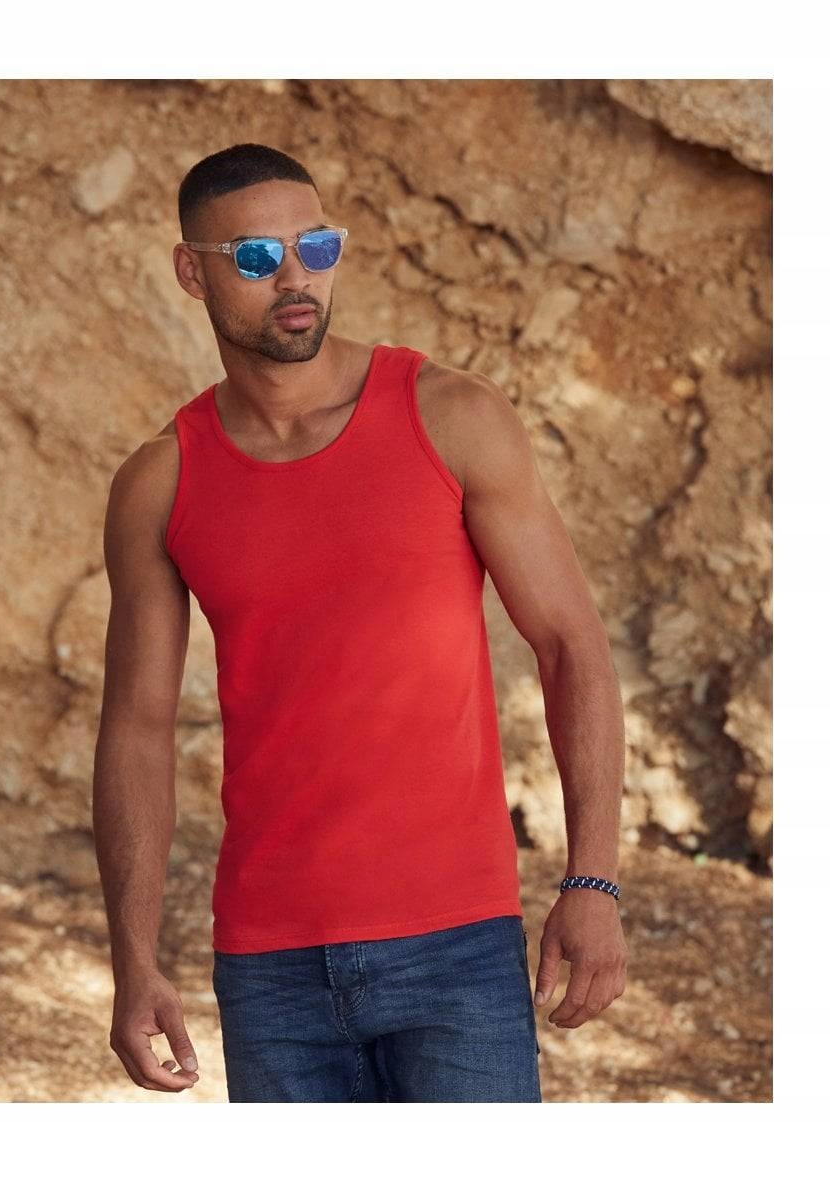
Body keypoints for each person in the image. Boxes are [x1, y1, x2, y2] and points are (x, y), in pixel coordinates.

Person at [93, 142, 628, 1103]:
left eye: (317, 246)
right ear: (192, 272)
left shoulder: (452, 417)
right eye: (256, 257)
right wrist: (133, 961)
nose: (295, 279)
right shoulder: (161, 481)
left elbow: (569, 645)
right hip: (268, 967)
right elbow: (136, 726)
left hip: (457, 945)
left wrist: (592, 881)